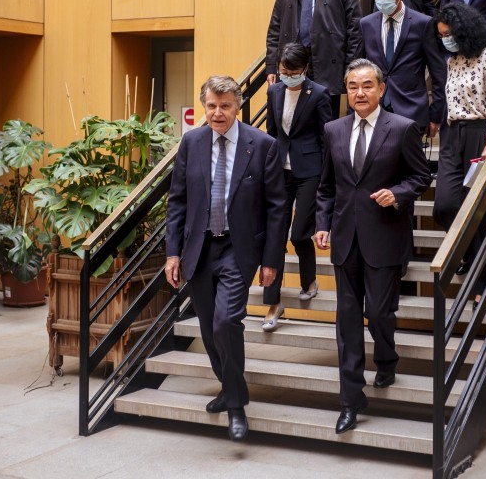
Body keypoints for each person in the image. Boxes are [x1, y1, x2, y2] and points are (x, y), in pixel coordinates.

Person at [164, 76, 286, 442]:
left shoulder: (262, 145)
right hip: (198, 249)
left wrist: (271, 261)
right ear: (205, 106)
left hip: (238, 249)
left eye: (226, 106)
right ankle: (229, 387)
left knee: (225, 322)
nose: (218, 113)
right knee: (207, 328)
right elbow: (178, 200)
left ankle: (236, 405)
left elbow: (277, 208)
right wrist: (173, 252)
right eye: (212, 106)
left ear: (238, 105)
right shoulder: (191, 142)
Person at [314, 59, 432, 435]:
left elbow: (420, 177)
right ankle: (350, 399)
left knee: (379, 313)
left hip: (385, 236)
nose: (359, 93)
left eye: (367, 85)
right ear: (346, 91)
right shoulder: (333, 130)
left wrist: (396, 194)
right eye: (352, 86)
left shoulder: (401, 128)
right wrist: (321, 224)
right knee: (347, 320)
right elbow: (326, 186)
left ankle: (387, 356)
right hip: (345, 238)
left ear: (381, 89)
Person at [260, 43, 333, 332]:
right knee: (274, 236)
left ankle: (309, 280)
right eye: (283, 71)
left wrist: (327, 176)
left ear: (305, 68)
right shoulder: (274, 91)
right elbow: (272, 132)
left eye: (293, 72)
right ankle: (272, 302)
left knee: (300, 232)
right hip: (280, 170)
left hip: (309, 171)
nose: (287, 76)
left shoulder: (320, 94)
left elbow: (326, 138)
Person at [431, 3, 486, 276]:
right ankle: (465, 250)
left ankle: (481, 281)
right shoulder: (451, 61)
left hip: (480, 133)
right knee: (445, 204)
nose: (446, 39)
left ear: (464, 30)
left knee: (478, 208)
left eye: (449, 33)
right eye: (441, 36)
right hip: (452, 135)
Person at [360, 0, 447, 138]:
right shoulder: (366, 24)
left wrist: (436, 114)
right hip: (373, 111)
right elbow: (359, 69)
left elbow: (439, 72)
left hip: (411, 112)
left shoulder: (423, 24)